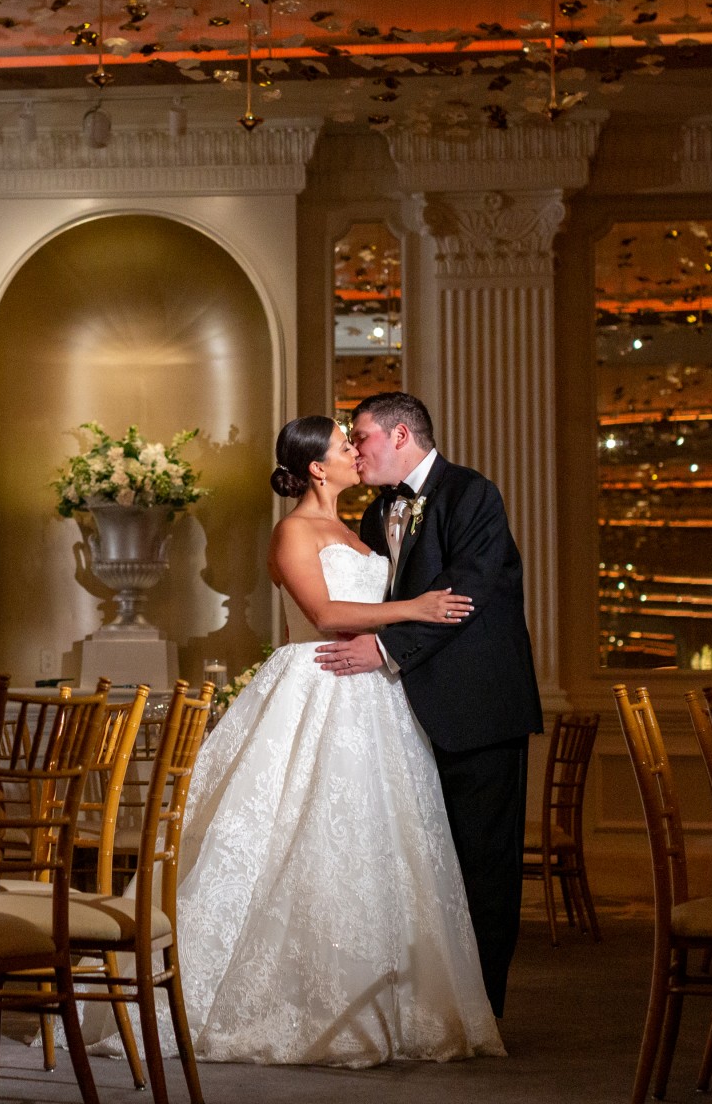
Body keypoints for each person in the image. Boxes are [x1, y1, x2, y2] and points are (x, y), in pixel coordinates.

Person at [171, 415, 504, 1066]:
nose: (358, 453)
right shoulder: (293, 531)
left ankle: (393, 1002)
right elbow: (323, 615)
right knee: (303, 834)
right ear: (318, 468)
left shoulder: (359, 531)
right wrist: (415, 608)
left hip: (377, 698)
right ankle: (300, 1000)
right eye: (345, 447)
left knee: (384, 842)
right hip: (317, 684)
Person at [314, 391, 543, 1017]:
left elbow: (462, 598)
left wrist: (384, 650)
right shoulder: (373, 516)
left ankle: (481, 1015)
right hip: (399, 717)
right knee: (420, 870)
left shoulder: (472, 495)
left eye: (360, 438)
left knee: (482, 868)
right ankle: (428, 1009)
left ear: (399, 435)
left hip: (477, 711)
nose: (356, 451)